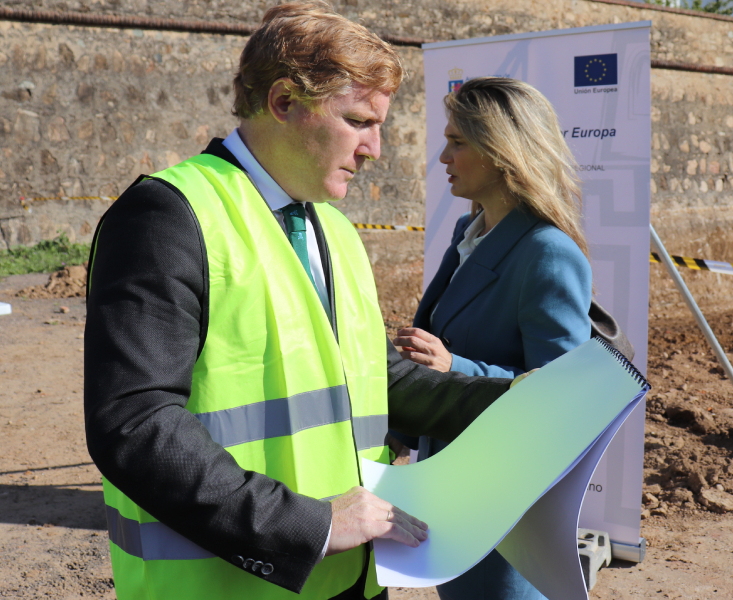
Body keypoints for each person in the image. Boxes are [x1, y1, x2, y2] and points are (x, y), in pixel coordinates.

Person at [83, 4, 512, 599]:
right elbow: (135, 424)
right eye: (360, 120)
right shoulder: (167, 218)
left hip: (351, 580)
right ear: (284, 103)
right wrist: (310, 526)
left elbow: (374, 380)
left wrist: (515, 402)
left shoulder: (330, 227)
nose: (376, 149)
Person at [392, 77, 596, 600]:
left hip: (505, 515)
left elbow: (566, 401)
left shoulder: (547, 252)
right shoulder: (469, 235)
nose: (443, 155)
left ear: (503, 151)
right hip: (451, 489)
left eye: (458, 142)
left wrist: (453, 364)